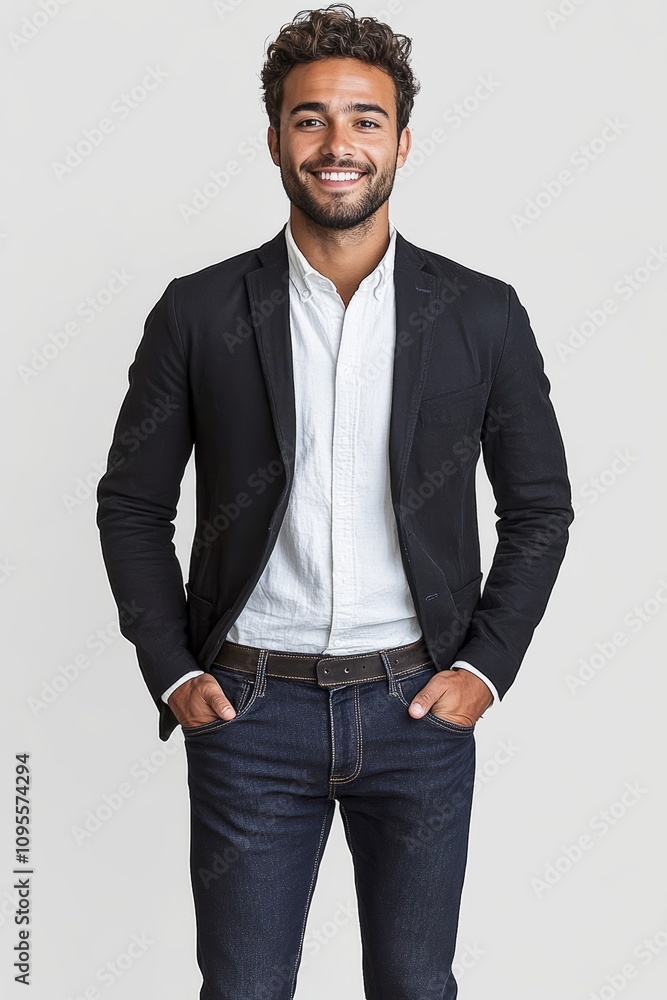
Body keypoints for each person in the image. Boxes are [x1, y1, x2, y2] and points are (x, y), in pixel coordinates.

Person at [96, 5, 574, 998]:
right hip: (250, 709)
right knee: (243, 988)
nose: (337, 144)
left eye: (364, 119)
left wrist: (484, 668)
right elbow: (131, 504)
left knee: (413, 984)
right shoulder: (199, 310)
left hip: (419, 705)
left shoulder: (479, 311)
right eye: (310, 119)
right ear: (274, 138)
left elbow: (538, 506)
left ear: (401, 140)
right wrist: (172, 671)